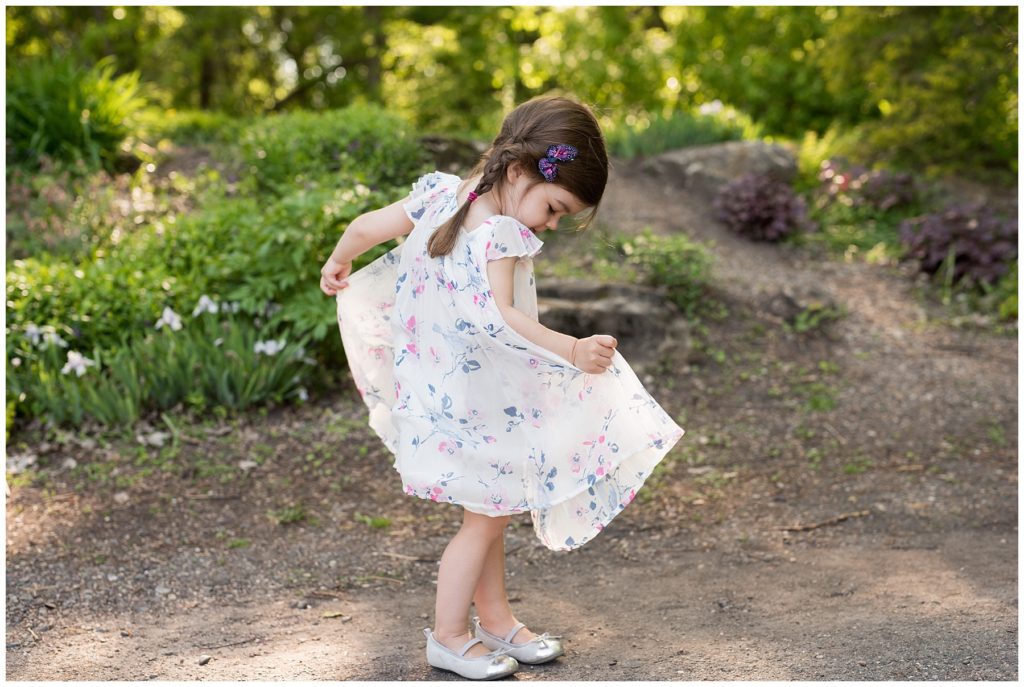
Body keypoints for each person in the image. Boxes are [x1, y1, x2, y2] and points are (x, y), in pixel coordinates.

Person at [320, 95, 685, 679]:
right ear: (519, 172)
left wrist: (339, 261)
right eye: (554, 206)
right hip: (477, 402)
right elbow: (500, 316)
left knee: (491, 504)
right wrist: (570, 349)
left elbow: (365, 227)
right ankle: (447, 635)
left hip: (448, 396)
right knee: (485, 518)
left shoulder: (442, 196)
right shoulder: (500, 234)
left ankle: (495, 619)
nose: (552, 223)